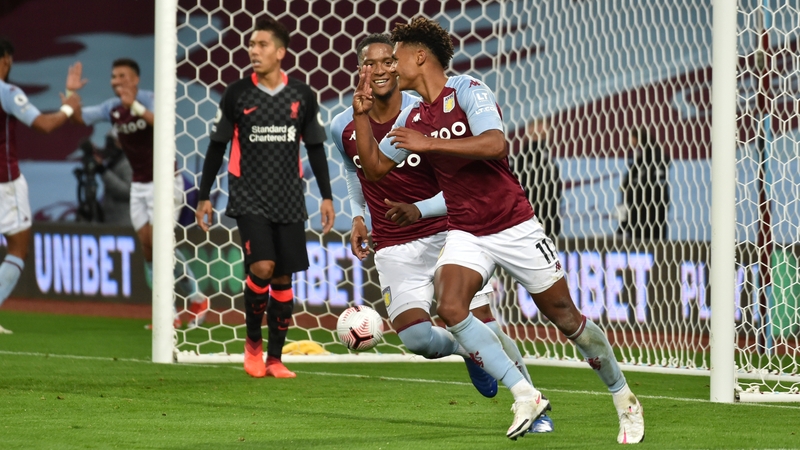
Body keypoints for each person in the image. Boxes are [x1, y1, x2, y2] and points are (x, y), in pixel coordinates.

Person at [352, 18, 644, 443]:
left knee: (566, 317)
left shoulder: (468, 90)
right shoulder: (414, 115)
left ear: (420, 56)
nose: (392, 67)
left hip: (514, 225)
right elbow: (375, 169)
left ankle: (624, 399)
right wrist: (361, 117)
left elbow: (495, 144)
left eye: (396, 59)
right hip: (466, 232)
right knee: (451, 307)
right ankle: (526, 394)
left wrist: (428, 143)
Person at [331, 33, 552, 432]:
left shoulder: (423, 113)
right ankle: (468, 350)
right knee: (417, 339)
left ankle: (535, 406)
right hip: (393, 244)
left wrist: (420, 208)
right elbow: (356, 170)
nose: (380, 70)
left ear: (399, 66)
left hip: (447, 232)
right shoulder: (341, 125)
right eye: (370, 63)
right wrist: (358, 215)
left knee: (484, 321)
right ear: (359, 69)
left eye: (388, 61)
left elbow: (459, 181)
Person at [195, 17, 335, 379]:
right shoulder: (237, 93)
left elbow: (315, 147)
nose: (253, 51)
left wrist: (327, 196)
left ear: (280, 52)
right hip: (249, 195)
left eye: (262, 45)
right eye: (251, 45)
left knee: (283, 279)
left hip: (288, 197)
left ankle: (275, 359)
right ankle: (252, 346)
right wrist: (204, 195)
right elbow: (217, 145)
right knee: (262, 268)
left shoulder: (302, 95)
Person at [67, 58, 209, 328]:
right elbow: (79, 117)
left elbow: (163, 124)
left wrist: (135, 105)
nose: (116, 81)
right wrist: (72, 93)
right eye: (113, 76)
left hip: (165, 182)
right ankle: (171, 313)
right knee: (149, 248)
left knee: (159, 243)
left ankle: (195, 299)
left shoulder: (151, 99)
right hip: (140, 184)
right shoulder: (112, 108)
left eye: (122, 76)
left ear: (135, 79)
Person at [0, 37, 82, 334]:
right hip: (5, 183)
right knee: (18, 248)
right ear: (6, 59)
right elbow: (44, 125)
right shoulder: (7, 92)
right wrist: (69, 107)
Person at [617, 128, 669, 240]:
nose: (631, 143)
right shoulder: (638, 160)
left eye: (633, 140)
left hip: (651, 212)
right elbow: (625, 190)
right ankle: (623, 227)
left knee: (652, 241)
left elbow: (662, 167)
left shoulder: (656, 156)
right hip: (637, 216)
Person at [513, 118, 561, 238]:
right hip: (525, 226)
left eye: (543, 135)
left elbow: (555, 194)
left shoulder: (550, 164)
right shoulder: (519, 162)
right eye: (535, 135)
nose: (539, 139)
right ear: (527, 133)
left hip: (548, 226)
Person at [95, 131, 133, 227]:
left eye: (111, 143)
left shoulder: (128, 163)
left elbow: (128, 192)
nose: (108, 147)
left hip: (124, 224)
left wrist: (103, 171)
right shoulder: (113, 162)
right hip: (111, 222)